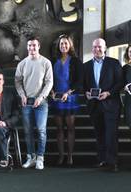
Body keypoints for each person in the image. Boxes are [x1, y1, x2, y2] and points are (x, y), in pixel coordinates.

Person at [83, 38, 123, 172]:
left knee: (111, 133)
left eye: (99, 47)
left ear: (105, 48)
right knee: (99, 133)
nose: (97, 49)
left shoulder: (114, 63)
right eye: (94, 47)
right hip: (94, 105)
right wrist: (86, 93)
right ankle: (101, 159)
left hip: (111, 104)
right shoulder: (86, 65)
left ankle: (112, 162)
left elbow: (120, 83)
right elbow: (83, 85)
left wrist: (109, 93)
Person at [15, 36, 53, 170]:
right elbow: (17, 81)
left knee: (41, 130)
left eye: (34, 45)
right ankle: (31, 157)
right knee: (28, 131)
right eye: (29, 45)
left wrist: (41, 97)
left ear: (39, 47)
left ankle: (40, 157)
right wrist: (22, 95)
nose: (32, 48)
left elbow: (49, 82)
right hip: (26, 102)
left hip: (41, 103)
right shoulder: (22, 64)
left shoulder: (46, 62)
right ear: (27, 47)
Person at [50, 34, 83, 166]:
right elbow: (49, 79)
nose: (63, 46)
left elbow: (79, 81)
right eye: (61, 44)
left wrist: (68, 93)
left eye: (66, 43)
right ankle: (61, 156)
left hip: (70, 98)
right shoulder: (53, 60)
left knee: (70, 128)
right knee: (59, 129)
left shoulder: (76, 61)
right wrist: (51, 92)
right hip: (56, 98)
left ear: (70, 45)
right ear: (58, 45)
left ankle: (69, 156)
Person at [123, 45, 131, 128]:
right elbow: (121, 82)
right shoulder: (125, 68)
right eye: (130, 51)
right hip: (129, 100)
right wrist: (124, 86)